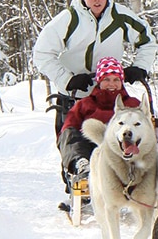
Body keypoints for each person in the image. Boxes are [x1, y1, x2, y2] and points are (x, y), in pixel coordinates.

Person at [32, 0, 158, 136]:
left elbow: (148, 40)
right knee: (72, 145)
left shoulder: (120, 17)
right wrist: (67, 79)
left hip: (109, 96)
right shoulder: (69, 19)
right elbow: (42, 53)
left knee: (114, 150)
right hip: (74, 96)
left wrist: (140, 67)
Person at [57, 56, 142, 184]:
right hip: (90, 151)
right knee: (71, 133)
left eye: (116, 79)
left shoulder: (133, 104)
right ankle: (82, 166)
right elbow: (68, 129)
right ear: (99, 81)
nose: (112, 84)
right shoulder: (84, 104)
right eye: (106, 79)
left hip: (125, 152)